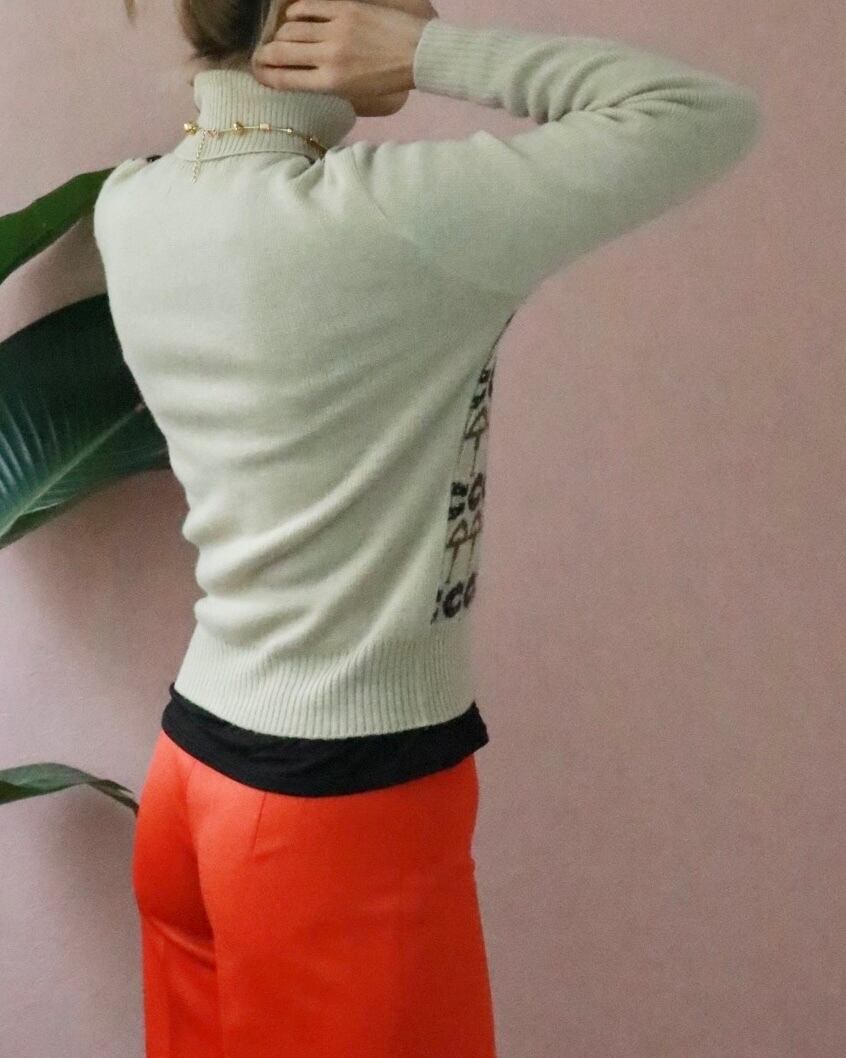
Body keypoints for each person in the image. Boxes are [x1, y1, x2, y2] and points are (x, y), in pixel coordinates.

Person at [93, 0, 762, 1055]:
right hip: (336, 816)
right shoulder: (394, 220)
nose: (432, 7)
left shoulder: (132, 205)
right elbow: (700, 112)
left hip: (194, 780)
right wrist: (428, 57)